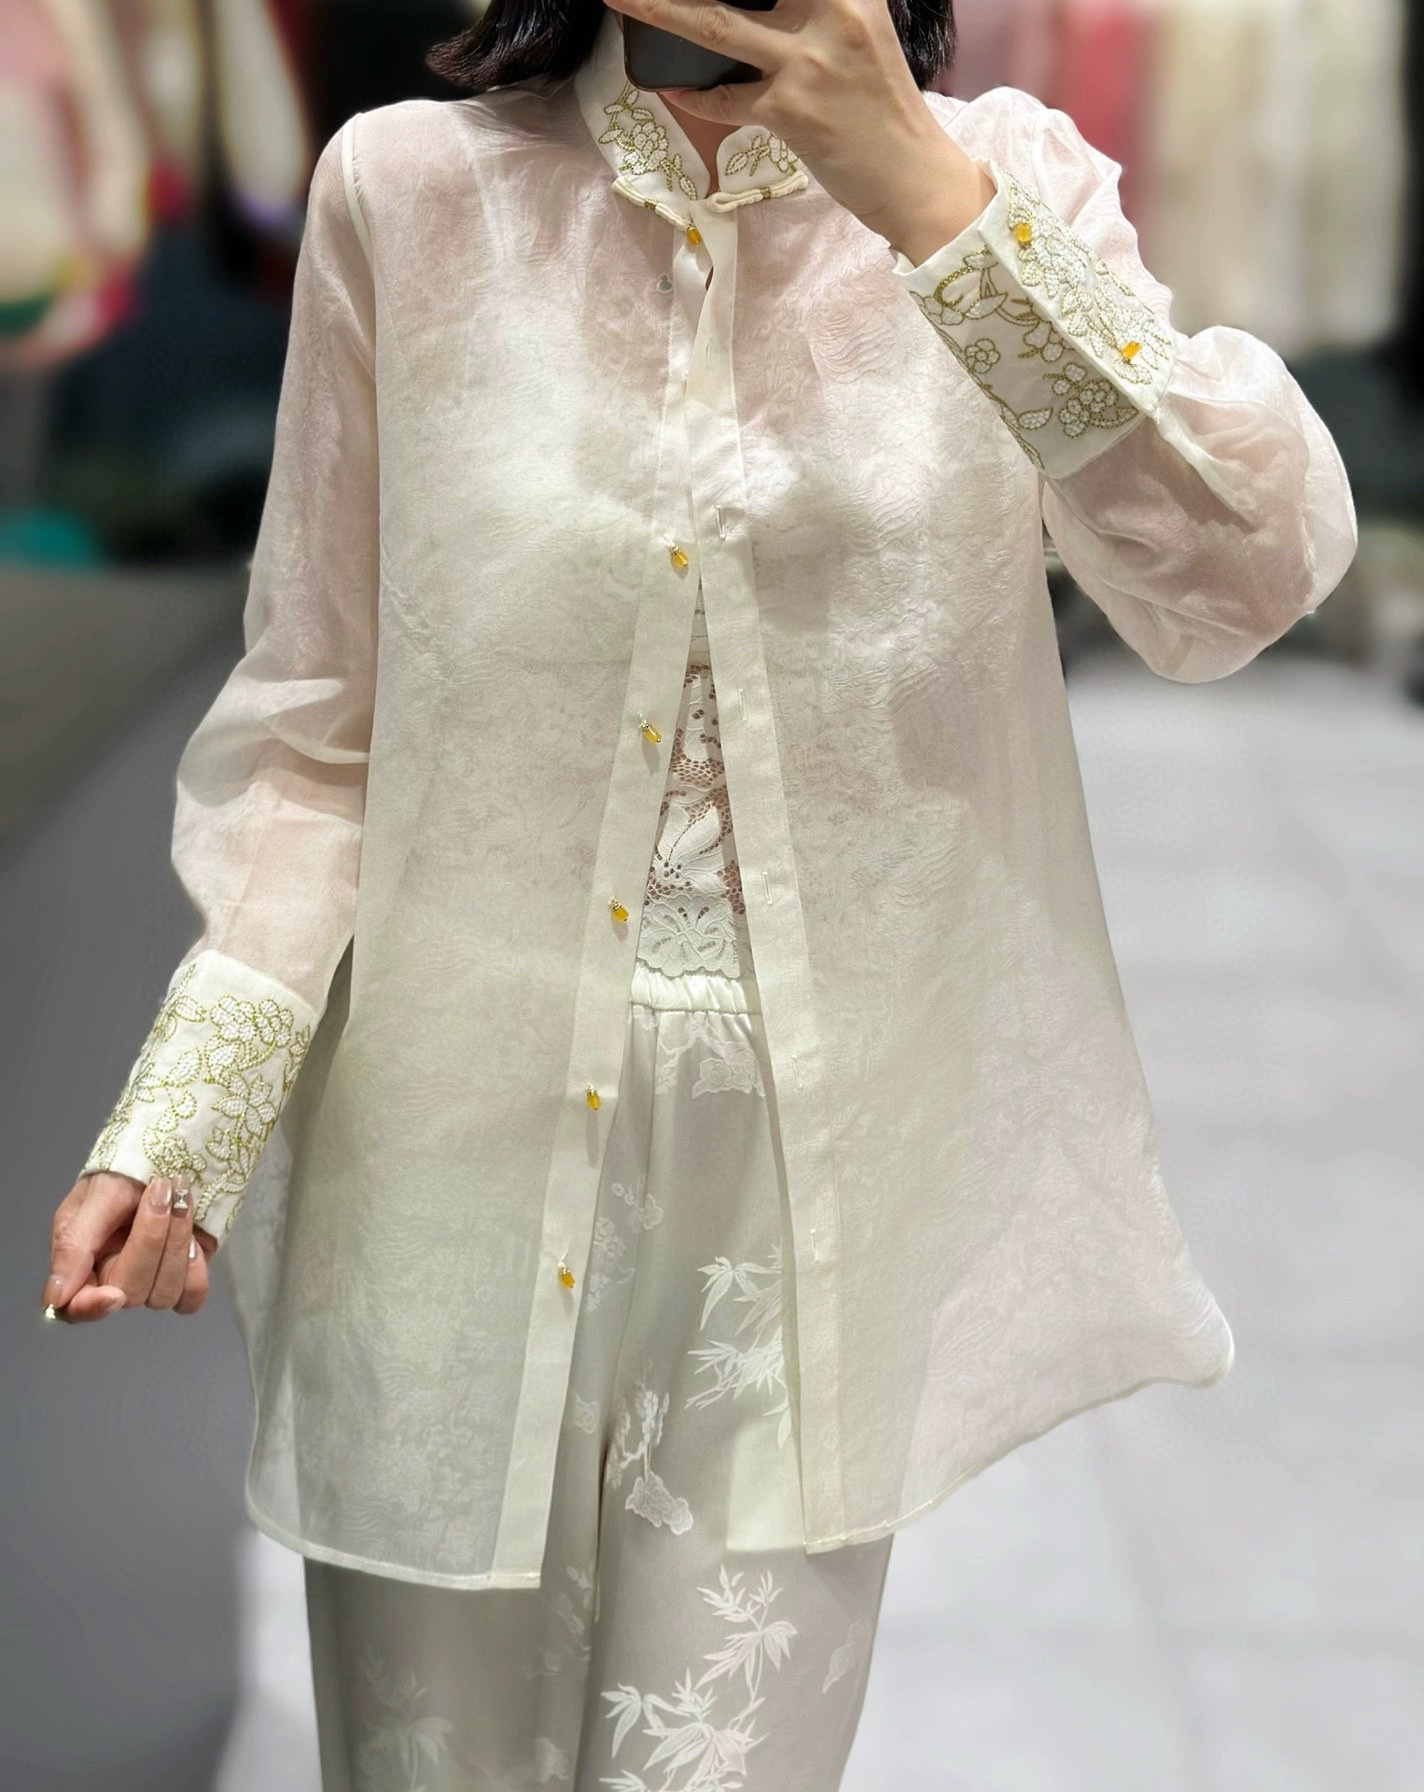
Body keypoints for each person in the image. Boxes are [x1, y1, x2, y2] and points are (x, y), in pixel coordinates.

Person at [41, 0, 1358, 1784]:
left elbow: (1242, 577)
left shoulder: (1007, 190)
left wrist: (931, 206)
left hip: (808, 1202)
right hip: (441, 1165)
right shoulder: (409, 198)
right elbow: (320, 725)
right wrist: (188, 1114)